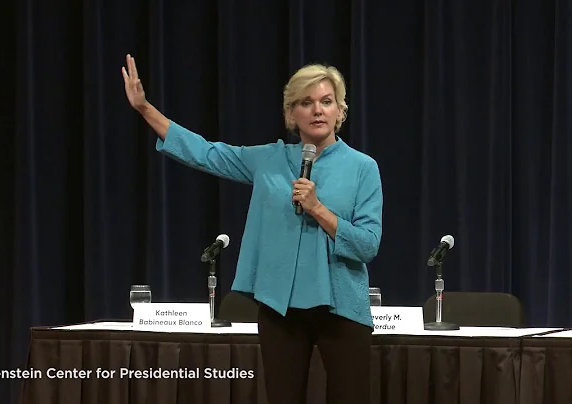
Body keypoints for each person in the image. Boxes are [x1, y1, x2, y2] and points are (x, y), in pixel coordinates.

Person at [122, 54, 383, 404]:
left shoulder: (363, 168)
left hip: (341, 307)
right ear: (292, 114)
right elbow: (206, 152)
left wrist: (318, 209)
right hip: (281, 309)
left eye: (326, 102)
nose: (318, 110)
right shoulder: (269, 160)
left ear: (340, 110)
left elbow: (367, 245)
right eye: (306, 103)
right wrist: (144, 109)